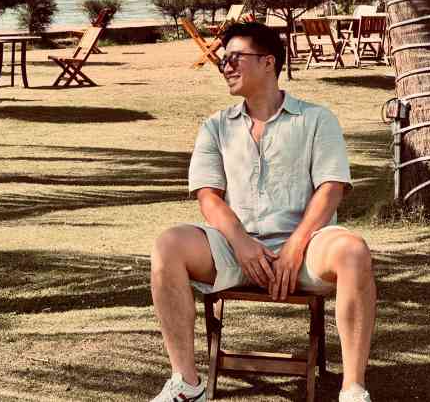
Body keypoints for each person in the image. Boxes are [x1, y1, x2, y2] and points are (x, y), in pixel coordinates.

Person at [150, 22, 376, 402]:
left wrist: (295, 247)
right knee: (168, 245)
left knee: (354, 251)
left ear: (269, 62)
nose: (225, 66)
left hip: (306, 249)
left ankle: (353, 390)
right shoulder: (215, 126)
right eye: (223, 61)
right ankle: (187, 384)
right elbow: (208, 197)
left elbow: (331, 189)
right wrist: (241, 243)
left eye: (235, 58)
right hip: (234, 249)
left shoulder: (316, 119)